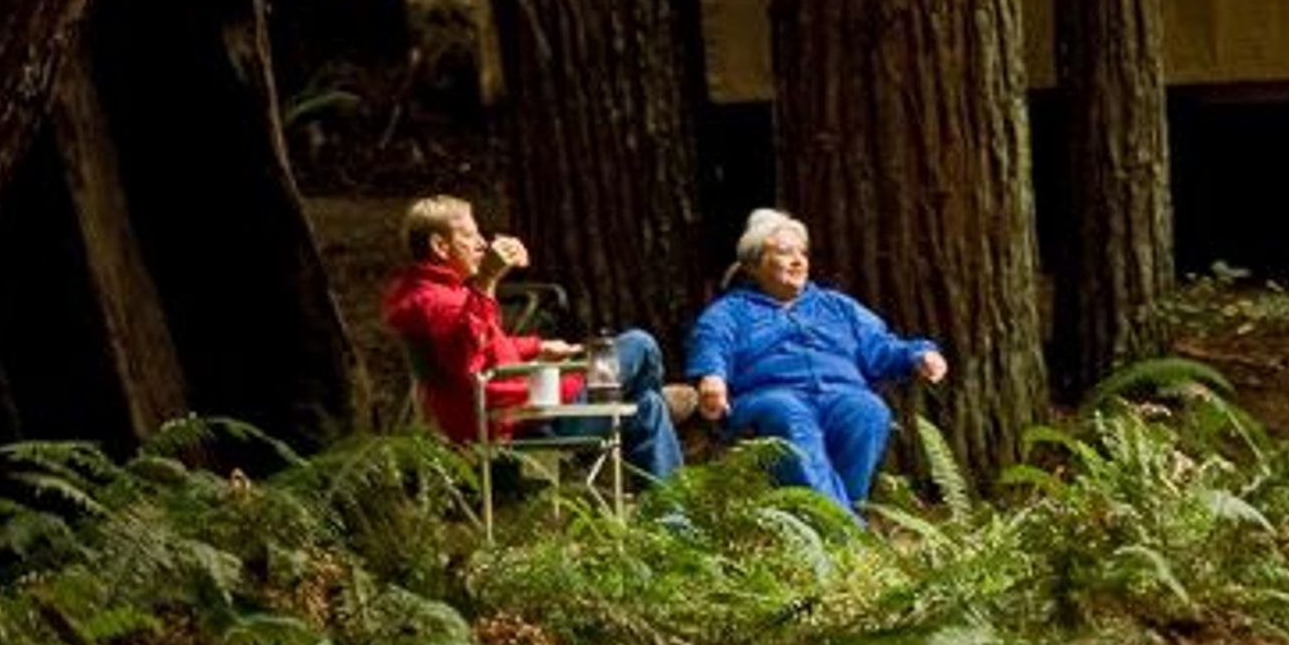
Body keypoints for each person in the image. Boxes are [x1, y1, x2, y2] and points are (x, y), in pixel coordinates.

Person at [380, 196, 687, 488]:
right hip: (531, 432)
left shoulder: (437, 295)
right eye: (471, 236)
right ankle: (641, 395)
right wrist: (487, 281)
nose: (482, 244)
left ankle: (671, 522)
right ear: (440, 246)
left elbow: (486, 350)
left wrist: (537, 348)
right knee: (639, 343)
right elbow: (468, 363)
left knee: (648, 408)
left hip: (527, 418)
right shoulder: (438, 303)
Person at [686, 207, 948, 513]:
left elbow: (880, 347)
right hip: (768, 398)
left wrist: (918, 354)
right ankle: (842, 530)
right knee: (788, 412)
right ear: (753, 265)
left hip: (841, 395)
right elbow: (711, 345)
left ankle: (835, 525)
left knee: (867, 409)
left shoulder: (837, 306)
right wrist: (712, 377)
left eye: (802, 253)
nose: (798, 261)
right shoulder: (731, 311)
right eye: (785, 253)